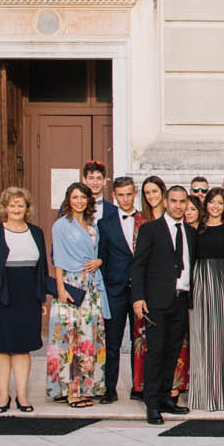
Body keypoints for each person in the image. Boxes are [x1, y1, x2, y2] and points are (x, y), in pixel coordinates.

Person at [128, 180, 194, 426]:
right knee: (155, 351)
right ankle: (152, 404)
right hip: (155, 301)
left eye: (182, 202)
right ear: (166, 202)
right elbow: (138, 264)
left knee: (173, 351)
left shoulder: (189, 232)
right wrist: (138, 296)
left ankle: (167, 397)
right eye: (174, 201)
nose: (178, 206)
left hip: (181, 299)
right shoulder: (150, 229)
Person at [46, 182, 106, 408]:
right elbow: (58, 259)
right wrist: (60, 289)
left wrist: (99, 261)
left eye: (83, 197)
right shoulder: (61, 225)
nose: (79, 201)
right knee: (69, 338)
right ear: (68, 200)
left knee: (88, 338)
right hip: (71, 284)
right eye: (75, 197)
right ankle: (70, 391)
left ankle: (85, 387)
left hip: (91, 286)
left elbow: (97, 252)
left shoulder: (92, 224)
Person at [186, 186, 224, 413]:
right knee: (200, 339)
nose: (216, 206)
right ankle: (201, 396)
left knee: (222, 340)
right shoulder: (195, 229)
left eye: (220, 203)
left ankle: (222, 395)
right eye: (212, 202)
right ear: (206, 204)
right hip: (200, 285)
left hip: (223, 286)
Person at [96, 176, 140, 403]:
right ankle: (109, 388)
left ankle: (138, 387)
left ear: (135, 194)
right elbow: (101, 256)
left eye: (128, 194)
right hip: (115, 290)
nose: (125, 199)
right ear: (114, 196)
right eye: (120, 195)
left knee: (139, 341)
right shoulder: (105, 223)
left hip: (140, 291)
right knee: (112, 342)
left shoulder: (145, 220)